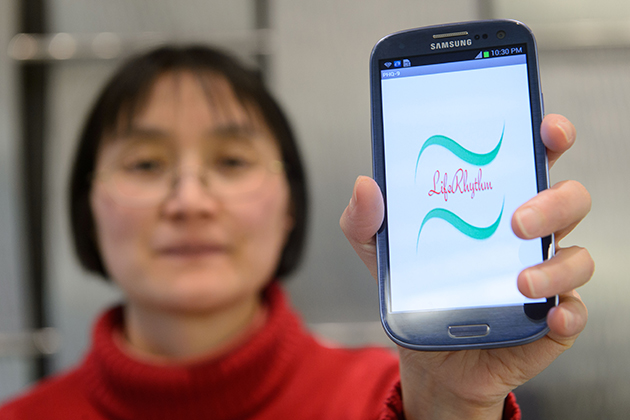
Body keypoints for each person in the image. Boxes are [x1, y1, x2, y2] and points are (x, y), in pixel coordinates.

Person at [0, 45, 593, 420]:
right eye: (145, 165)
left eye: (231, 162)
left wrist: (456, 404)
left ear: (290, 204)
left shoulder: (396, 400)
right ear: (87, 203)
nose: (188, 201)